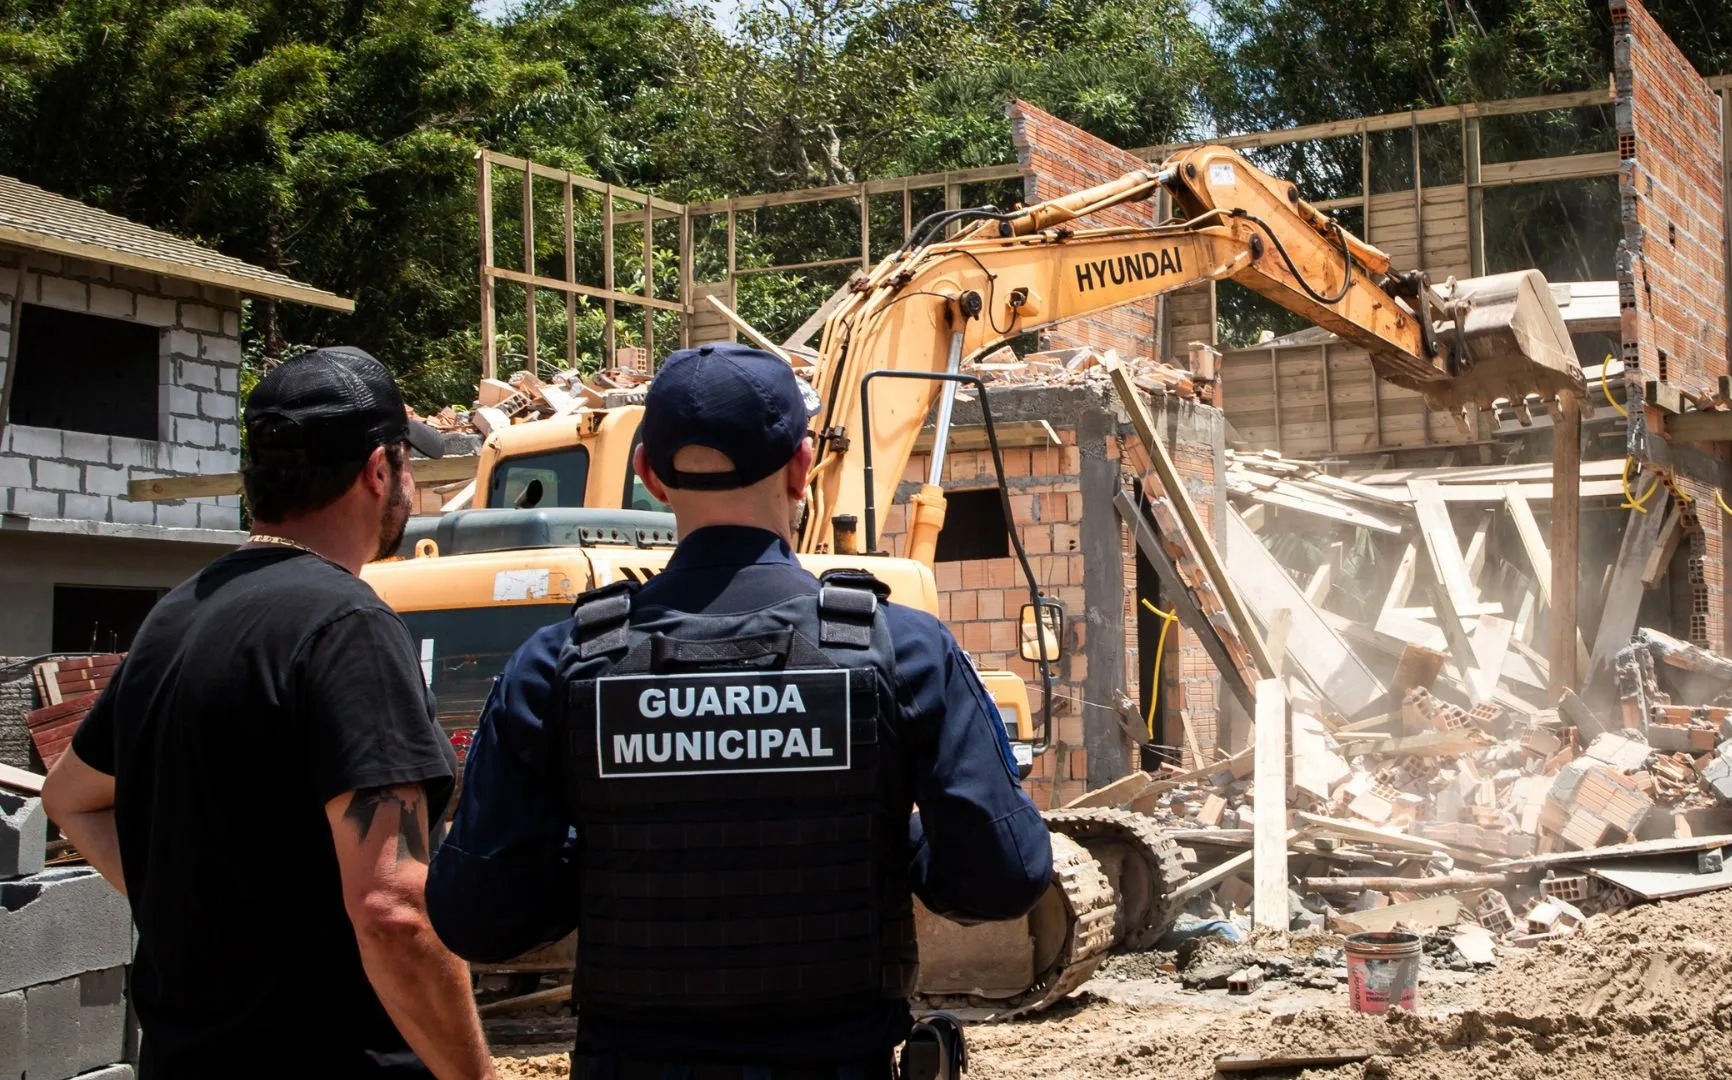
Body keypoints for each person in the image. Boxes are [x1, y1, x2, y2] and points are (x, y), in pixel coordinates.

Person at [426, 343, 1054, 1079]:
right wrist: (893, 842)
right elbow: (1004, 877)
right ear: (802, 465)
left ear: (649, 476)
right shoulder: (900, 648)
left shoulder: (559, 663)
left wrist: (611, 858)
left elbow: (479, 917)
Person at [41, 346, 495, 1080]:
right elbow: (393, 911)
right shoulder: (349, 627)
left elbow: (71, 799)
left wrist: (199, 917)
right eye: (409, 466)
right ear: (380, 471)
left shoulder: (177, 616)